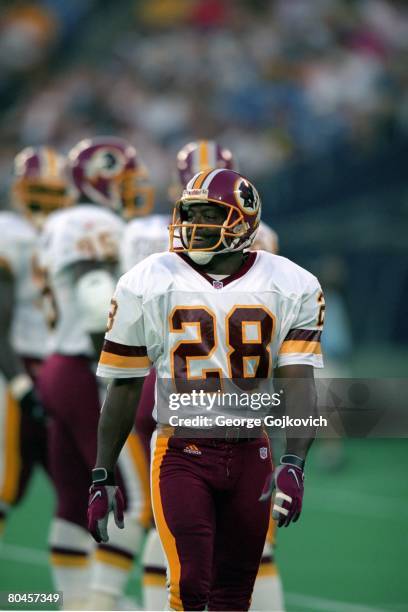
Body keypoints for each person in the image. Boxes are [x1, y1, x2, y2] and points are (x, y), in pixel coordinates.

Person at [89, 168, 324, 611]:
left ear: (243, 222)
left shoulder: (292, 283)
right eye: (189, 213)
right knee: (190, 586)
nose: (194, 225)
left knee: (235, 594)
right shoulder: (147, 279)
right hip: (181, 451)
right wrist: (101, 474)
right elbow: (123, 388)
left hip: (251, 450)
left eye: (209, 215)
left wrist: (294, 460)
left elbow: (300, 383)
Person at [123, 139, 284, 610]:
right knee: (237, 532)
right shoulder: (265, 241)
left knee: (168, 520)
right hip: (224, 390)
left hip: (173, 382)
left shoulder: (144, 236)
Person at [37, 136, 152, 610]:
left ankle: (74, 602)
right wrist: (114, 368)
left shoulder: (59, 220)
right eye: (122, 180)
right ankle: (101, 604)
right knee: (132, 495)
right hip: (85, 368)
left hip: (56, 366)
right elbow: (92, 296)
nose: (129, 189)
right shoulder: (94, 221)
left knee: (71, 496)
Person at [0, 146, 73, 535]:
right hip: (14, 367)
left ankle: (83, 595)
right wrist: (18, 381)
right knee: (3, 483)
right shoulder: (8, 234)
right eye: (38, 192)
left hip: (58, 370)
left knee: (78, 488)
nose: (45, 203)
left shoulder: (75, 233)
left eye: (52, 192)